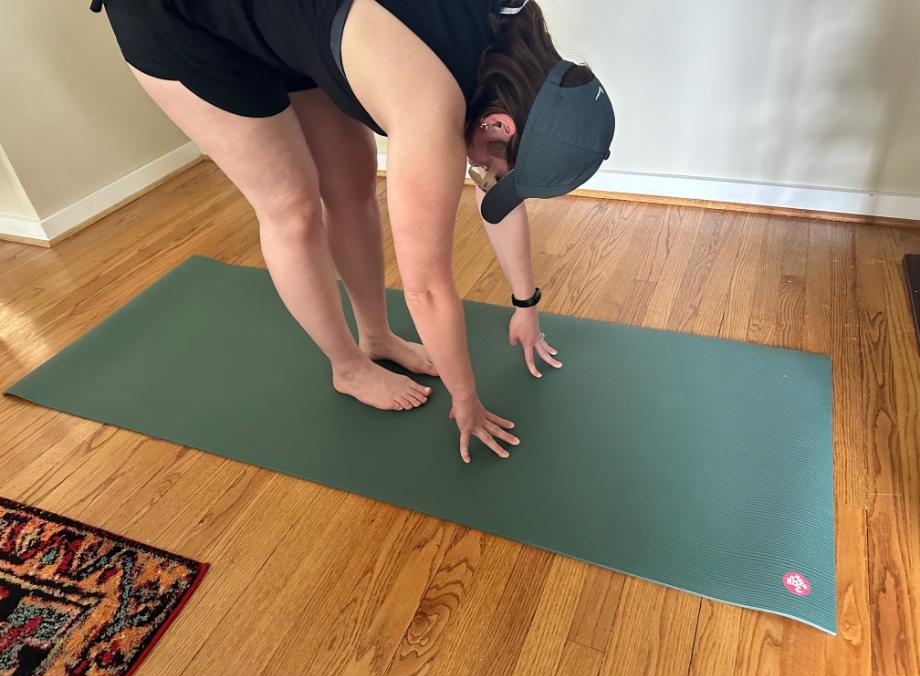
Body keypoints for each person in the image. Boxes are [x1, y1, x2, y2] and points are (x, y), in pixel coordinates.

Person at [91, 0, 615, 463]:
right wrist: (466, 401)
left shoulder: (513, 36)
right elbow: (427, 289)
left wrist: (526, 304)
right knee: (292, 207)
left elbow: (492, 192)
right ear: (499, 125)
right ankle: (347, 368)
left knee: (351, 179)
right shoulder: (431, 104)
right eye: (500, 170)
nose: (486, 176)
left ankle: (376, 336)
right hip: (178, 18)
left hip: (288, 15)